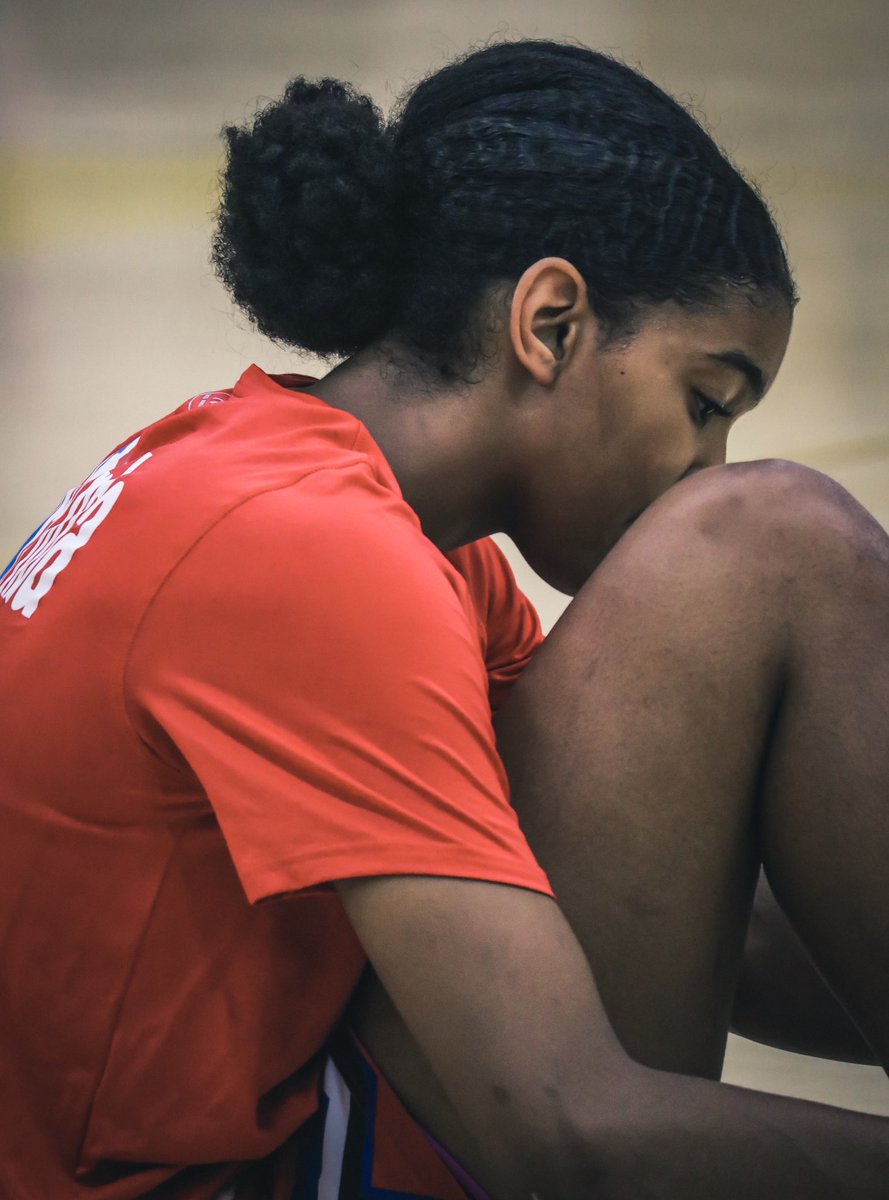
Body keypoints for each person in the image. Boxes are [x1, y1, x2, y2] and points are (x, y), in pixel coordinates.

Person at [0, 36, 887, 1200]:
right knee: (772, 537)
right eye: (704, 401)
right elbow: (563, 1131)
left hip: (270, 1128)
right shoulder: (310, 555)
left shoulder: (362, 519)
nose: (704, 463)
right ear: (552, 323)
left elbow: (706, 923)